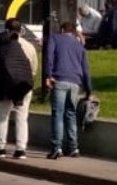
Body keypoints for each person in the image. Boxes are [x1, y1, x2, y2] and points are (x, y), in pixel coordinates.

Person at [0, 19, 38, 159]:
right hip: (24, 85)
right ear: (21, 30)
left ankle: (0, 147)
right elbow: (34, 68)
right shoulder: (29, 46)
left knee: (3, 115)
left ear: (5, 29)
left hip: (5, 84)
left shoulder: (0, 43)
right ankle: (21, 149)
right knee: (22, 117)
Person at [46, 21, 93, 159]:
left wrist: (49, 75)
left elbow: (49, 56)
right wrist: (89, 90)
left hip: (59, 79)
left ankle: (56, 148)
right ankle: (73, 148)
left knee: (58, 114)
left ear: (62, 30)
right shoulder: (79, 46)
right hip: (75, 83)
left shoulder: (54, 38)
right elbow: (86, 69)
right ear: (73, 32)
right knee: (70, 113)